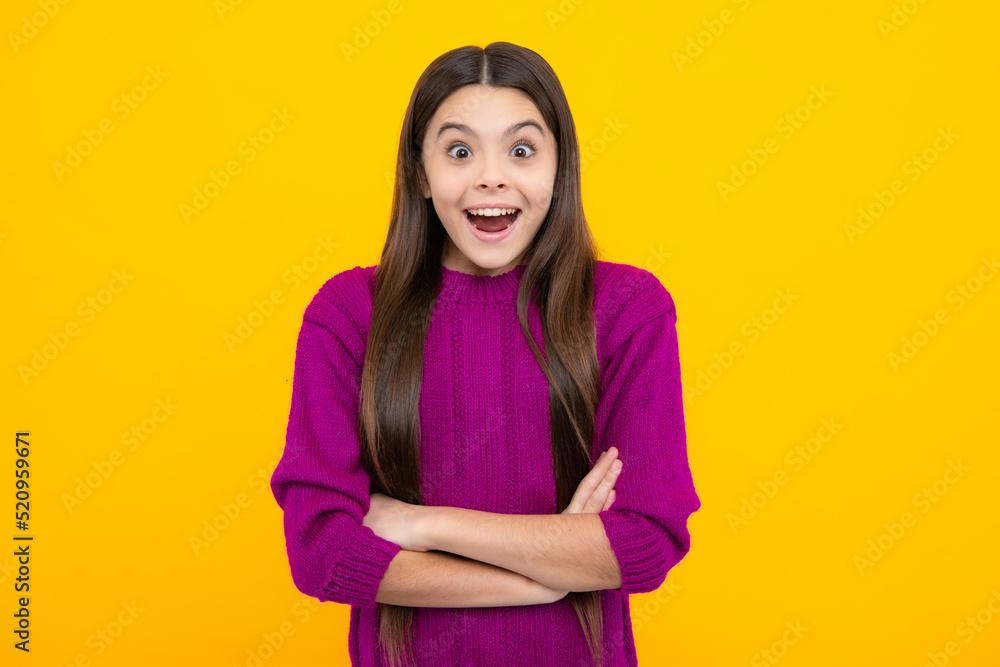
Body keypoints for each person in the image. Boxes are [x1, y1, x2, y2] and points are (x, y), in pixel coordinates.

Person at [269, 41, 700, 667]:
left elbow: (643, 541)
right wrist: (543, 577)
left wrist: (422, 524)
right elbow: (322, 552)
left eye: (521, 150)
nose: (491, 177)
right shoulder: (348, 314)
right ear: (420, 171)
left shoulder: (627, 309)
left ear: (561, 168)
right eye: (459, 151)